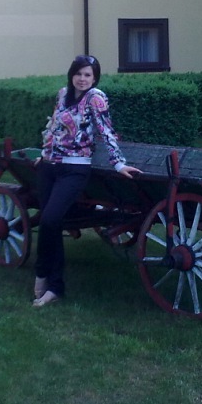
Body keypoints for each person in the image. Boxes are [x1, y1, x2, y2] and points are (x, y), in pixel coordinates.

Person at [32, 55, 141, 307]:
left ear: (95, 78)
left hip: (75, 169)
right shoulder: (63, 95)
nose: (82, 79)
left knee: (50, 219)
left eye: (88, 75)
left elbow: (106, 131)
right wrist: (44, 153)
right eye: (79, 73)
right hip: (49, 167)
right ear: (72, 74)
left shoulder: (95, 98)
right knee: (49, 224)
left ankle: (45, 277)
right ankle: (50, 282)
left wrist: (118, 163)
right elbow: (54, 128)